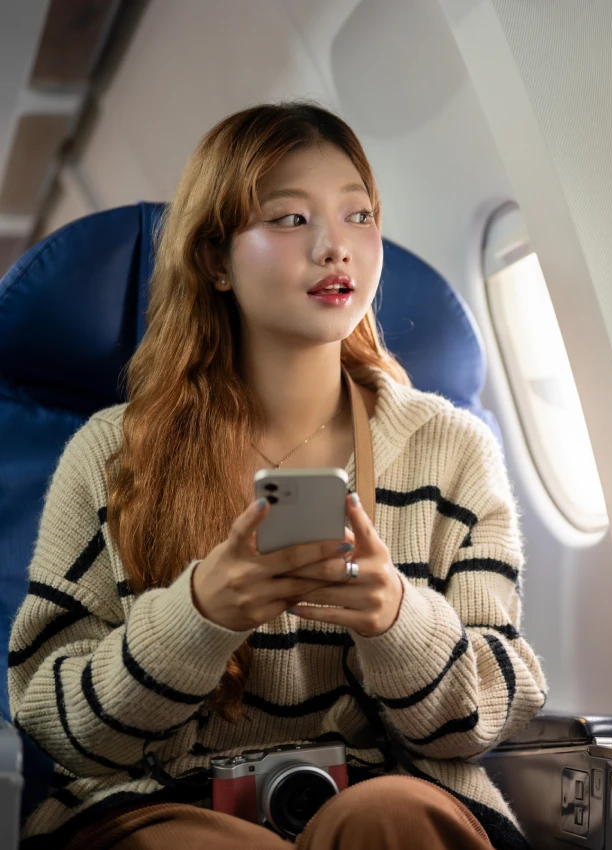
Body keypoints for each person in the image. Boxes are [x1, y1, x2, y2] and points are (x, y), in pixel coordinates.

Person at [7, 102, 547, 850]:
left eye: (359, 215)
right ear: (215, 261)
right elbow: (55, 722)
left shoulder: (453, 449)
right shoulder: (112, 454)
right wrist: (197, 616)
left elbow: (487, 716)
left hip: (386, 795)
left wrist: (397, 619)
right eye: (291, 219)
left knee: (390, 818)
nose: (336, 248)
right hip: (165, 802)